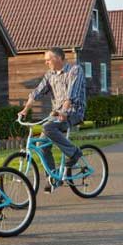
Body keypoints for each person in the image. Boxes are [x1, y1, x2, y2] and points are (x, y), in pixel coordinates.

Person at [17, 47, 86, 192]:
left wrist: (64, 111)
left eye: (48, 60)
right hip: (56, 115)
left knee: (48, 128)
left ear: (59, 58)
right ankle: (53, 178)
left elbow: (71, 95)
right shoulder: (50, 75)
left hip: (74, 111)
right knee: (43, 145)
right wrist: (25, 109)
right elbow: (36, 92)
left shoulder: (75, 70)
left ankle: (74, 152)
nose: (46, 63)